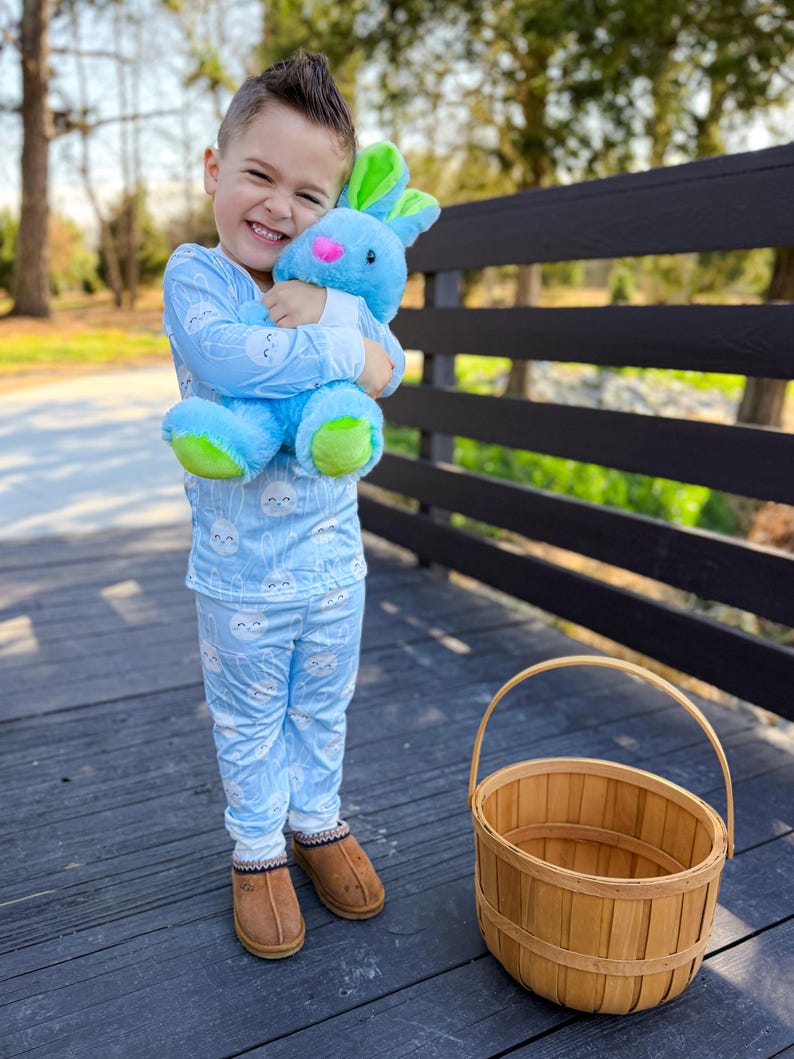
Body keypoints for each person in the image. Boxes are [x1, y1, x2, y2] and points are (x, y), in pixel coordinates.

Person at [162, 50, 405, 959]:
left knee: (322, 705)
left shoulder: (335, 289)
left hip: (335, 564)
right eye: (259, 175)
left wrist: (336, 315)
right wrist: (342, 344)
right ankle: (258, 845)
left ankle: (316, 818)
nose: (278, 208)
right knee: (248, 713)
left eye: (309, 194)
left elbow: (393, 366)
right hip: (240, 575)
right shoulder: (197, 276)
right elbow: (232, 360)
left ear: (333, 211)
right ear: (215, 168)